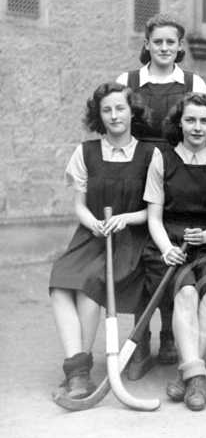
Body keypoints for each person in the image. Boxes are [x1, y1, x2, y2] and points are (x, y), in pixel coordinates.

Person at [50, 82, 156, 399]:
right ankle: (78, 366)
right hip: (92, 234)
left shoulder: (151, 154)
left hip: (130, 239)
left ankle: (79, 374)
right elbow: (80, 205)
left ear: (131, 111)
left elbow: (155, 212)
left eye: (119, 108)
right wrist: (94, 222)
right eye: (106, 110)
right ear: (99, 116)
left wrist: (125, 218)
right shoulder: (87, 152)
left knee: (88, 286)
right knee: (59, 283)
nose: (113, 115)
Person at [116, 13, 206, 377]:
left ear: (180, 46)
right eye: (158, 42)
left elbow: (201, 125)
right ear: (147, 44)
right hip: (137, 169)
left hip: (175, 168)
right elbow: (119, 125)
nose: (165, 48)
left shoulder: (191, 81)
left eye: (172, 42)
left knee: (170, 248)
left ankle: (170, 334)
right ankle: (141, 343)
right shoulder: (129, 80)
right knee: (141, 252)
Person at [143, 93, 206, 411]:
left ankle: (188, 374)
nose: (197, 127)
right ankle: (196, 378)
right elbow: (154, 217)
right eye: (190, 120)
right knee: (186, 295)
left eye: (204, 121)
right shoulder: (162, 158)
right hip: (172, 243)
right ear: (179, 122)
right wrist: (167, 248)